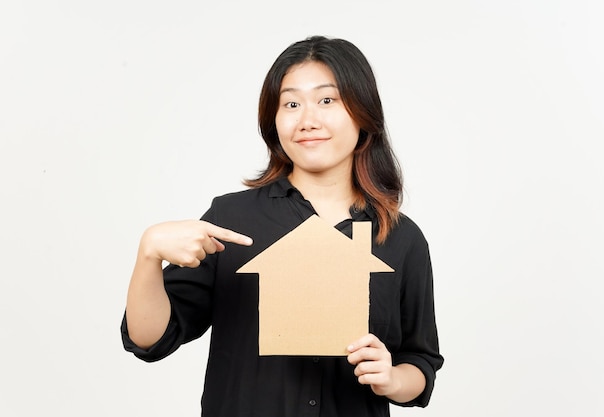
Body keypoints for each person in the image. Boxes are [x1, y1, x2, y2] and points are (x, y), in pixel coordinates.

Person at [121, 35, 443, 417]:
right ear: (273, 122)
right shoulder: (230, 220)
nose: (308, 120)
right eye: (291, 103)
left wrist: (392, 378)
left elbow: (420, 362)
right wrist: (148, 254)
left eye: (327, 100)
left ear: (363, 112)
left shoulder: (402, 237)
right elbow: (150, 338)